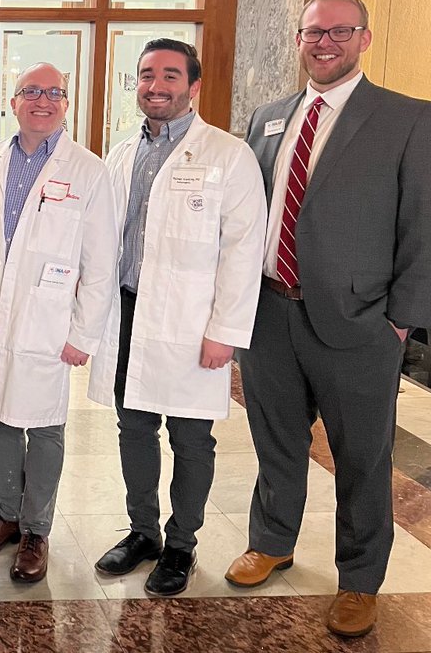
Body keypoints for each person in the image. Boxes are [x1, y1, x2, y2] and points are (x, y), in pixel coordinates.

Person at [226, 0, 431, 638]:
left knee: (362, 457)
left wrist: (400, 320)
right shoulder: (268, 117)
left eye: (339, 31)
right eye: (312, 32)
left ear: (364, 37)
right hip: (270, 314)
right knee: (276, 442)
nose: (323, 42)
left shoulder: (408, 119)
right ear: (298, 39)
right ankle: (271, 540)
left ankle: (360, 578)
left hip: (358, 324)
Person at [87, 40, 266, 595]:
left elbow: (244, 248)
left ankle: (181, 544)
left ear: (193, 86)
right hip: (127, 313)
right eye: (145, 75)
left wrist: (225, 332)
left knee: (191, 439)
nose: (155, 85)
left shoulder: (227, 155)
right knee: (133, 428)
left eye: (169, 75)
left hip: (193, 324)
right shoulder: (120, 154)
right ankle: (143, 533)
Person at [0, 62, 119, 582]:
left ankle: (37, 530)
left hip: (50, 322)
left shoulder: (88, 170)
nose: (43, 101)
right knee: (0, 414)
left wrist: (83, 332)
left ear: (66, 104)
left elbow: (101, 261)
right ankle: (7, 514)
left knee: (46, 424)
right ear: (13, 101)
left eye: (55, 92)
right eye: (32, 91)